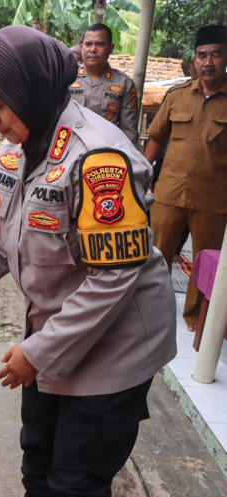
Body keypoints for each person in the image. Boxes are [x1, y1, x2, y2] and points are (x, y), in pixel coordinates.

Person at [0, 26, 177, 497]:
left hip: (113, 346)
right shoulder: (16, 152)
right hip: (54, 332)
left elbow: (114, 278)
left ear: (31, 90)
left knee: (76, 482)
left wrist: (36, 352)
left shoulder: (99, 157)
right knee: (38, 462)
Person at [144, 24, 227, 332]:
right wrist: (140, 177)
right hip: (169, 193)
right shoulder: (177, 96)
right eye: (202, 55)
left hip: (213, 199)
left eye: (216, 55)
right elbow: (155, 139)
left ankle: (194, 317)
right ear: (194, 59)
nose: (208, 62)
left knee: (206, 261)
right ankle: (150, 310)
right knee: (156, 254)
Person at [70, 23, 139, 145]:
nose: (93, 49)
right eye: (88, 44)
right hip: (70, 150)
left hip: (106, 153)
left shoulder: (124, 84)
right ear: (81, 47)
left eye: (100, 44)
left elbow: (129, 132)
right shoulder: (66, 78)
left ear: (111, 48)